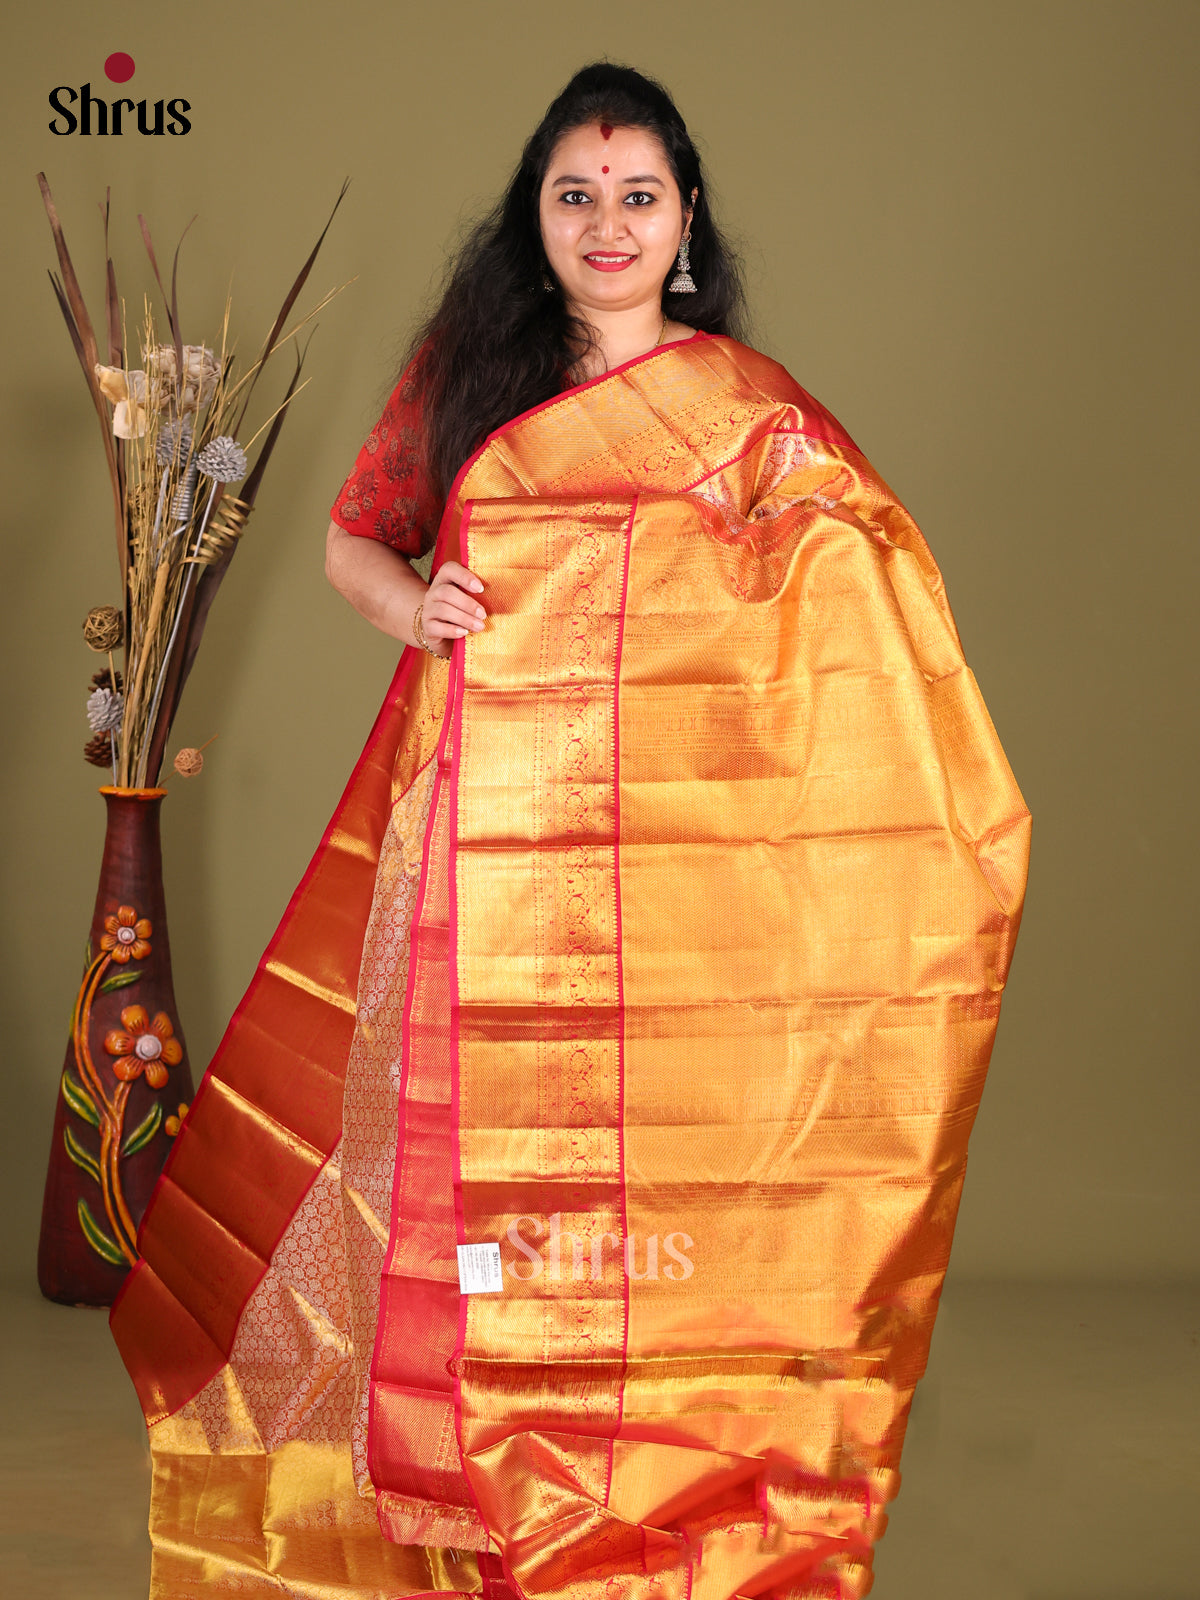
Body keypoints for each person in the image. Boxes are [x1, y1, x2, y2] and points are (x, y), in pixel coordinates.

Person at [112, 62, 1030, 1600]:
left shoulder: (746, 408)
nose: (608, 225)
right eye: (576, 195)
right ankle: (479, 1490)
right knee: (477, 1195)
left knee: (656, 1188)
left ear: (685, 229)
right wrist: (418, 604)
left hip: (673, 880)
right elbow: (354, 536)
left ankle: (653, 1471)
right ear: (536, 221)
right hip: (478, 848)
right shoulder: (476, 374)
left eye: (639, 197)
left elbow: (850, 571)